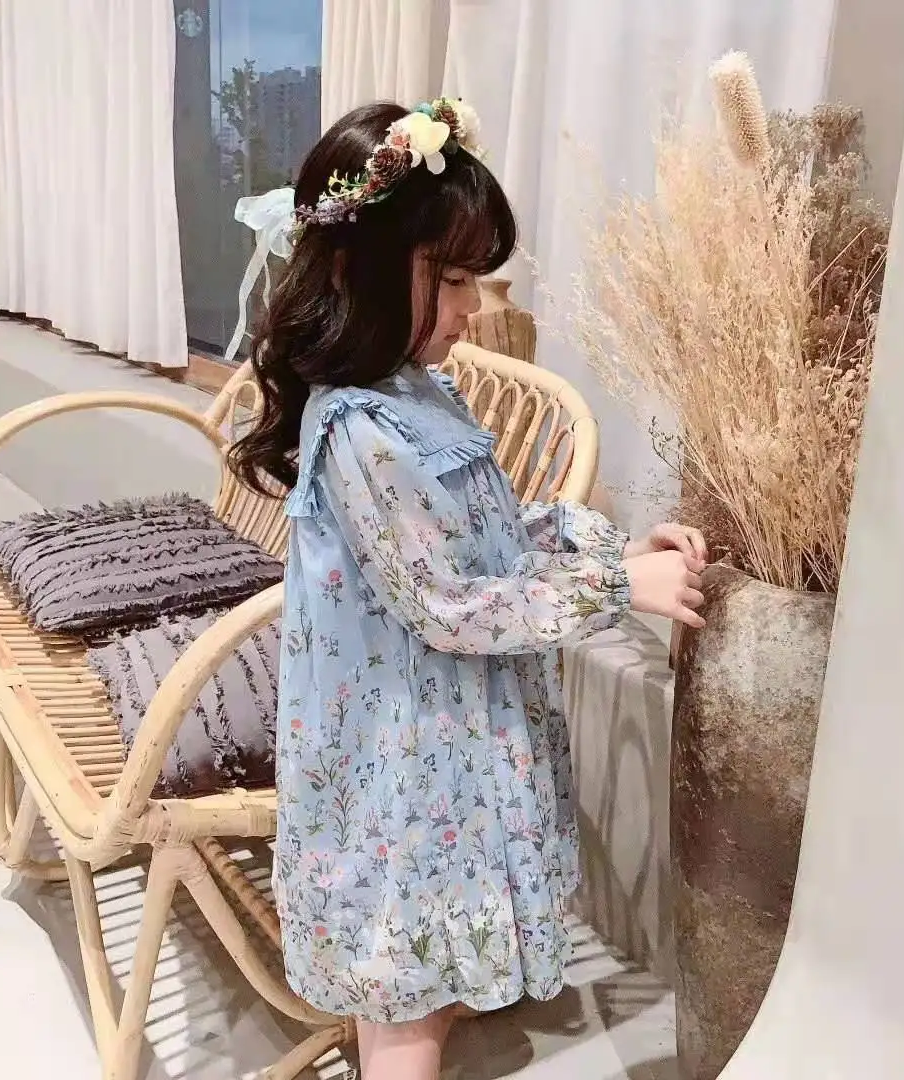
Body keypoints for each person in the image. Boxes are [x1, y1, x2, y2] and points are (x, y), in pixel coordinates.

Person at [228, 99, 708, 1080]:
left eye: (475, 280)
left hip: (446, 742)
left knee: (427, 962)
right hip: (405, 761)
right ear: (360, 268)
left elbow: (486, 531)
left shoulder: (416, 390)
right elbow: (453, 603)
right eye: (449, 280)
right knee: (405, 979)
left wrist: (610, 545)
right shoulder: (360, 429)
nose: (472, 308)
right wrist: (617, 586)